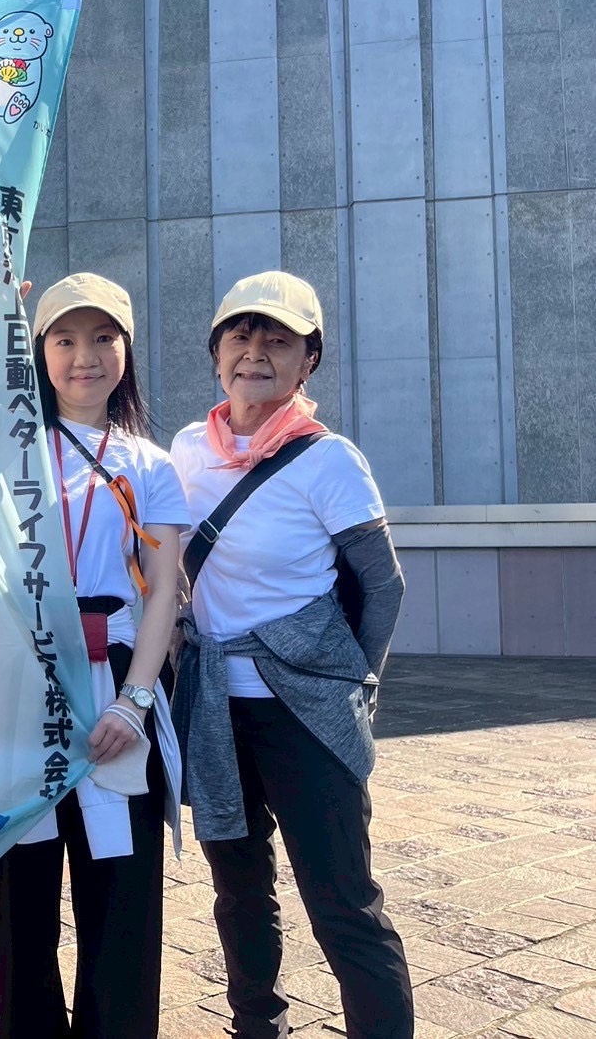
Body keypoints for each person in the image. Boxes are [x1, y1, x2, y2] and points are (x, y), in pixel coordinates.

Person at [169, 270, 414, 1039]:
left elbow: (382, 585)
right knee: (238, 890)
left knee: (342, 902)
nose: (255, 352)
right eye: (239, 336)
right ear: (216, 353)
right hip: (214, 706)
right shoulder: (185, 449)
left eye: (278, 340)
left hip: (304, 711)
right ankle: (256, 1025)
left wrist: (352, 683)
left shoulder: (328, 459)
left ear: (308, 361)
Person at [0, 273, 187, 1038]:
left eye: (101, 338)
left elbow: (162, 591)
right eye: (62, 339)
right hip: (14, 694)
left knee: (120, 899)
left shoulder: (149, 464)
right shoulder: (0, 448)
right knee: (12, 896)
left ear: (126, 351)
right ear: (37, 350)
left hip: (113, 688)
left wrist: (134, 700)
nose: (82, 357)